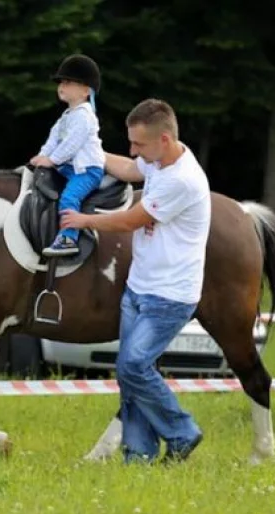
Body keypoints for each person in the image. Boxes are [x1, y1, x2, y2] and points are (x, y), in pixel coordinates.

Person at [60, 98, 211, 464]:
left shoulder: (181, 180)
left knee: (132, 366)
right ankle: (139, 454)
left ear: (164, 139)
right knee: (132, 373)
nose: (133, 150)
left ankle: (182, 432)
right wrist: (90, 152)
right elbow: (129, 168)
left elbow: (130, 221)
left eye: (139, 143)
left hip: (169, 296)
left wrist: (83, 221)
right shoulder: (158, 161)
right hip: (140, 287)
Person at [30, 53, 106, 258]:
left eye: (68, 82)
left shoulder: (85, 116)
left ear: (85, 90)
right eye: (61, 83)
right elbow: (52, 140)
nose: (61, 87)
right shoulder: (66, 117)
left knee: (70, 197)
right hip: (69, 168)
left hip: (86, 171)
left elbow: (71, 144)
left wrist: (51, 160)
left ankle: (68, 237)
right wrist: (41, 157)